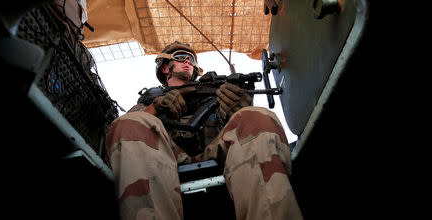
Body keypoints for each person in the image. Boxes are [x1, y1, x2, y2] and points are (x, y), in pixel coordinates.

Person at [105, 41, 303, 220]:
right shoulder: (151, 100)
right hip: (166, 158)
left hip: (215, 154)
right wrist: (156, 109)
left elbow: (240, 131)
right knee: (131, 124)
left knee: (256, 117)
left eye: (191, 60)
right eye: (181, 58)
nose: (188, 62)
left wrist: (239, 108)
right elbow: (125, 131)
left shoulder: (212, 91)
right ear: (166, 67)